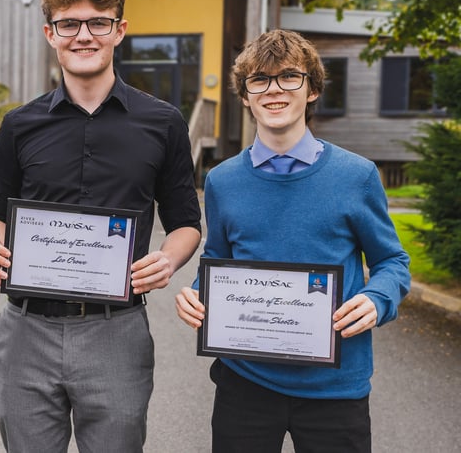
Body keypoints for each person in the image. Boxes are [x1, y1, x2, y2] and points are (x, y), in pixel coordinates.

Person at [0, 0, 202, 453]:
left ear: (119, 30)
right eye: (69, 24)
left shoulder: (163, 123)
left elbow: (186, 222)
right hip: (25, 331)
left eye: (98, 22)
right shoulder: (19, 125)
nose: (84, 35)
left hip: (115, 330)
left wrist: (168, 260)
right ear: (49, 33)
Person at [175, 29, 411, 452]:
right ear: (245, 96)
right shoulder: (222, 181)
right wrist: (197, 293)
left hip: (335, 388)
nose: (274, 90)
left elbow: (392, 261)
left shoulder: (356, 176)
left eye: (289, 77)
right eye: (259, 80)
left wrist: (378, 298)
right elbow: (218, 262)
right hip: (245, 382)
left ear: (312, 89)